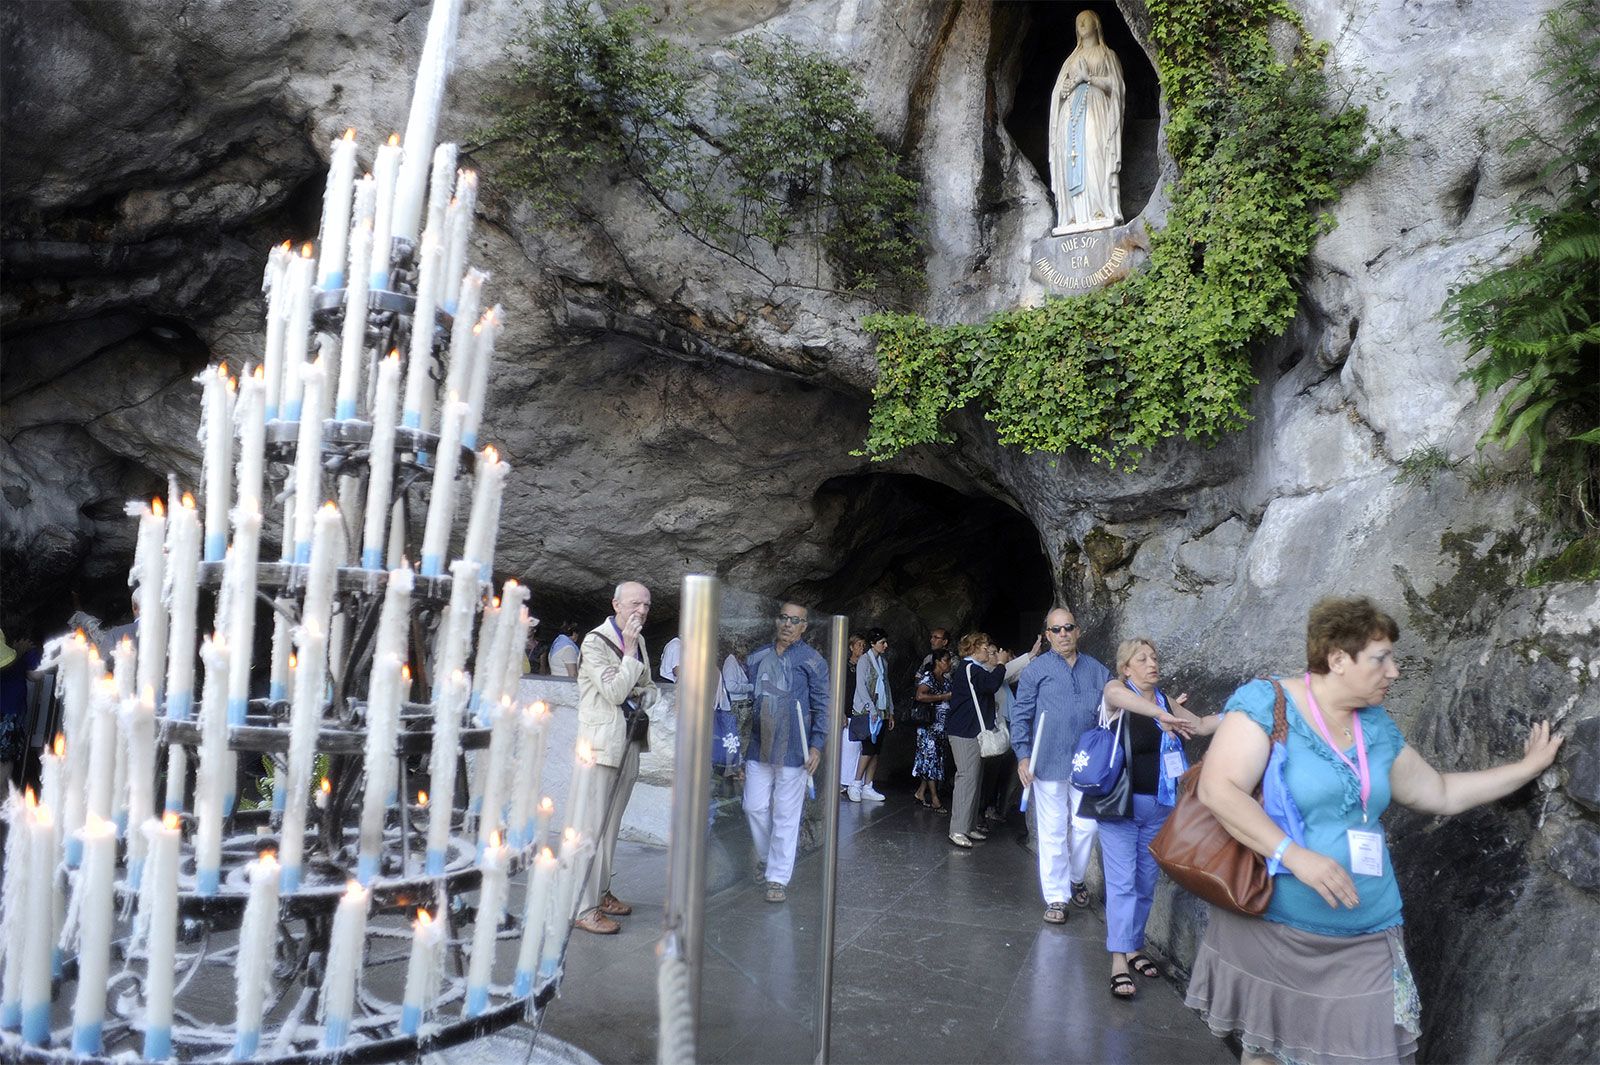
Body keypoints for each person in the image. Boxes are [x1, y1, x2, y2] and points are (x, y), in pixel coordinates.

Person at [1187, 597, 1563, 1064]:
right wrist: (1294, 855)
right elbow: (1219, 789)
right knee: (1267, 1053)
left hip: (1366, 931)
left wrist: (1525, 769)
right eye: (1381, 659)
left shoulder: (1377, 728)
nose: (1395, 672)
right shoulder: (1268, 703)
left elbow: (1440, 792)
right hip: (1273, 927)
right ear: (1338, 659)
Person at [1014, 607, 1153, 920]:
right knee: (1051, 831)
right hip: (1047, 761)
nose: (1063, 634)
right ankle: (1056, 897)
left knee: (1087, 827)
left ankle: (1076, 877)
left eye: (1068, 628)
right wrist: (1023, 755)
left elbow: (1119, 695)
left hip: (1088, 765)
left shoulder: (1096, 670)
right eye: (1056, 630)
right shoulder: (1036, 671)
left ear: (1077, 631)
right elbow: (1021, 715)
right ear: (1047, 635)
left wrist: (1158, 705)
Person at [1098, 638, 1214, 999]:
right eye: (1142, 658)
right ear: (1126, 668)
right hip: (1120, 806)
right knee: (1121, 885)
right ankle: (1118, 960)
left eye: (1154, 657)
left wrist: (1247, 711)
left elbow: (1203, 726)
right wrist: (1159, 714)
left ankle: (1133, 946)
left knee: (1145, 883)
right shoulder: (1117, 691)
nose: (1152, 663)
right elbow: (1119, 698)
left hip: (1159, 807)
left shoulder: (1165, 700)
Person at [574, 582, 660, 934]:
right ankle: (584, 907)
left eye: (647, 605)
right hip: (600, 748)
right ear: (616, 604)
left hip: (627, 744)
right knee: (591, 828)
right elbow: (613, 690)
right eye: (635, 603)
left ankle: (603, 892)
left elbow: (651, 691)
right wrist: (628, 660)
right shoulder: (596, 642)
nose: (641, 610)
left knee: (611, 828)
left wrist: (638, 688)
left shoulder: (638, 642)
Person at [742, 603, 830, 903]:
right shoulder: (756, 657)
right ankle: (767, 857)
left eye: (796, 620)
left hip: (795, 748)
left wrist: (817, 744)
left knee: (786, 815)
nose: (788, 624)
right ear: (776, 620)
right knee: (753, 806)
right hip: (760, 745)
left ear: (804, 626)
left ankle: (777, 877)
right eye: (784, 618)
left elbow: (822, 705)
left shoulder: (813, 661)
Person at [1048, 8, 1126, 233]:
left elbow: (1116, 86)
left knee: (1094, 153)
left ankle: (1099, 209)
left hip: (1096, 109)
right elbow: (1058, 92)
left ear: (1096, 24)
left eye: (1086, 19)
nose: (1081, 23)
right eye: (1078, 21)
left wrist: (1088, 78)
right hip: (1070, 114)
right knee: (1069, 158)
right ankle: (1073, 215)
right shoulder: (1071, 59)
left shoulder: (1106, 54)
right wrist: (1064, 90)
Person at [945, 632, 1008, 847]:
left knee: (975, 779)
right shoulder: (971, 668)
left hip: (969, 731)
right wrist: (1001, 665)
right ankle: (958, 830)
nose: (987, 652)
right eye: (983, 648)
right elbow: (991, 685)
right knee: (967, 778)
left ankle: (969, 826)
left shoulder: (973, 669)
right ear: (972, 649)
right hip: (964, 732)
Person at [847, 628, 893, 802]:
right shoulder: (864, 661)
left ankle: (868, 785)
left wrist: (891, 711)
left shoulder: (884, 663)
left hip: (881, 709)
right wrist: (871, 709)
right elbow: (861, 687)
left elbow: (886, 687)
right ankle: (856, 783)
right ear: (873, 643)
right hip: (867, 709)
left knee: (876, 750)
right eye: (882, 642)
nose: (885, 646)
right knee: (868, 748)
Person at [911, 648, 954, 812]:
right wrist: (943, 697)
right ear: (937, 662)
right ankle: (935, 798)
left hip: (941, 728)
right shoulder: (929, 677)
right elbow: (920, 695)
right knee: (930, 760)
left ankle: (921, 792)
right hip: (928, 726)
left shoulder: (945, 680)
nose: (949, 663)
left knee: (933, 760)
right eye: (946, 660)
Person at [839, 632, 867, 796]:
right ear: (851, 647)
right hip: (848, 711)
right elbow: (840, 690)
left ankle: (856, 782)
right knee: (848, 748)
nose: (861, 648)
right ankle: (844, 781)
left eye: (864, 645)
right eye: (858, 645)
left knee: (859, 749)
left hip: (861, 712)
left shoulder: (866, 666)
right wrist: (841, 711)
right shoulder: (845, 666)